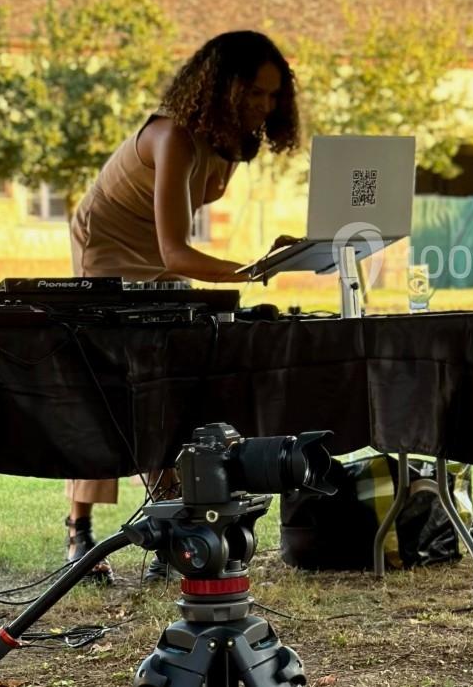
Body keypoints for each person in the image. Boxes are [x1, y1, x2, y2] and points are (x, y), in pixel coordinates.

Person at [64, 30, 302, 583]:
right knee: (110, 386)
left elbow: (171, 251)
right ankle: (78, 529)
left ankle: (167, 519)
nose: (264, 108)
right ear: (222, 87)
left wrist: (261, 262)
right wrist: (250, 270)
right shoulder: (172, 135)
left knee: (169, 377)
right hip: (109, 248)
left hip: (160, 255)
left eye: (273, 96)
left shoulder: (233, 143)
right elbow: (176, 249)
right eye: (254, 94)